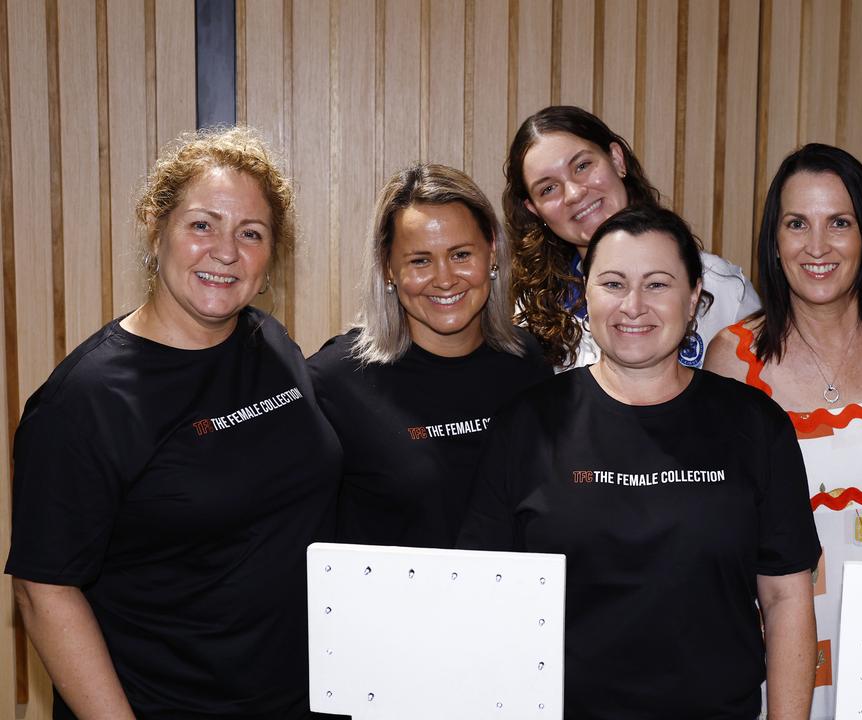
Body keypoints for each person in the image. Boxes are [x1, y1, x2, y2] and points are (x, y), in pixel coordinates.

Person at [5, 127, 340, 719]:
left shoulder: (270, 343)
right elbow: (44, 590)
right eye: (202, 224)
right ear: (157, 233)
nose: (226, 251)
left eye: (251, 233)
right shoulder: (84, 401)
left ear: (270, 259)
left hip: (295, 700)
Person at [459, 205, 820, 719]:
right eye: (612, 283)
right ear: (586, 293)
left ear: (694, 295)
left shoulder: (754, 425)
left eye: (657, 284)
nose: (633, 306)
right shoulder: (528, 423)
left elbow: (786, 599)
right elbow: (484, 596)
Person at [705, 143, 862, 718]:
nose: (816, 246)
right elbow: (720, 523)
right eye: (796, 224)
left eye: (839, 222)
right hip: (786, 638)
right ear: (774, 240)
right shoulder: (734, 359)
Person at [308, 163, 551, 547]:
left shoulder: (526, 362)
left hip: (507, 603)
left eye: (460, 254)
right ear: (389, 267)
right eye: (420, 260)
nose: (444, 279)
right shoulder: (335, 380)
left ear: (491, 250)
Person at [504, 105, 760, 370]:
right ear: (535, 210)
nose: (573, 193)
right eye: (548, 188)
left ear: (616, 159)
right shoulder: (535, 312)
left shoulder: (723, 287)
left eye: (582, 166)